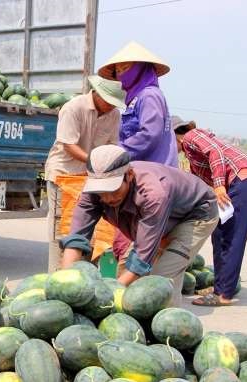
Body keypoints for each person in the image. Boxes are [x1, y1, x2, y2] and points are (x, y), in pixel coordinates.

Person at [60, 145, 219, 305]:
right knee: (124, 269)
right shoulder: (93, 192)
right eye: (102, 193)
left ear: (129, 175)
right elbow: (76, 239)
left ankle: (168, 321)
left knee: (160, 280)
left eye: (113, 190)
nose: (108, 199)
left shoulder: (153, 193)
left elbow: (142, 257)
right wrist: (64, 283)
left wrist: (108, 295)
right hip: (160, 217)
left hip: (196, 213)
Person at [97, 41, 180, 271]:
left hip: (153, 174)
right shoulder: (135, 98)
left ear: (141, 68)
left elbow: (149, 134)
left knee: (140, 238)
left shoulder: (150, 95)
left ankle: (131, 286)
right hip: (140, 171)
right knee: (136, 235)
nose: (122, 74)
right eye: (119, 70)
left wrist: (118, 153)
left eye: (126, 68)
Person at [172, 116, 247, 306]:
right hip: (245, 184)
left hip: (244, 183)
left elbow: (215, 152)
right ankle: (221, 287)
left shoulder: (192, 136)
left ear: (174, 136)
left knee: (231, 238)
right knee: (220, 234)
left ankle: (223, 294)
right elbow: (198, 188)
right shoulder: (192, 158)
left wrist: (219, 186)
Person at [44, 76, 126, 271]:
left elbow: (112, 146)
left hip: (92, 177)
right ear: (97, 94)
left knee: (92, 227)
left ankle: (85, 274)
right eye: (109, 102)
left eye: (115, 104)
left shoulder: (114, 114)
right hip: (63, 174)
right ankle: (57, 273)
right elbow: (69, 145)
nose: (111, 107)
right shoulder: (73, 108)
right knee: (61, 227)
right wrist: (96, 163)